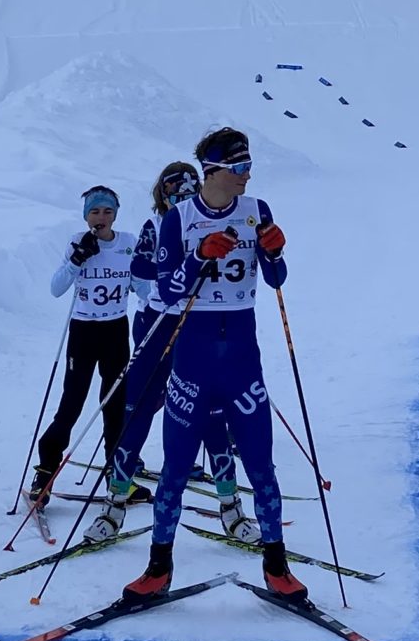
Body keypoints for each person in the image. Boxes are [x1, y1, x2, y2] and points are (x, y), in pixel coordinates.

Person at [121, 128, 303, 605]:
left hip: (243, 357)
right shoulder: (178, 219)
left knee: (261, 464)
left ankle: (277, 566)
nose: (247, 176)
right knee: (177, 466)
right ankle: (158, 567)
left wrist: (275, 250)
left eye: (249, 167)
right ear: (214, 172)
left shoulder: (256, 209)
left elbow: (276, 277)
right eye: (239, 169)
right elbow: (163, 293)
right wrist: (199, 257)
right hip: (194, 357)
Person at [87, 162, 248, 543]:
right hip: (157, 326)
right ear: (163, 196)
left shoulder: (210, 226)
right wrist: (166, 294)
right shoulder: (155, 227)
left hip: (198, 328)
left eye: (189, 191)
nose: (182, 198)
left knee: (210, 413)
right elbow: (141, 277)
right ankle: (115, 503)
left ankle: (231, 507)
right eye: (175, 193)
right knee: (136, 410)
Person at [26, 186, 137, 510]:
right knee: (71, 405)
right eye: (94, 212)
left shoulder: (128, 243)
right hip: (84, 331)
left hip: (117, 330)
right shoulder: (78, 241)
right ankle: (44, 474)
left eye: (107, 211)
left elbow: (141, 286)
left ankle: (117, 479)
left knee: (115, 407)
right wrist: (77, 259)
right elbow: (56, 288)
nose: (101, 218)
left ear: (115, 214)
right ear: (86, 215)